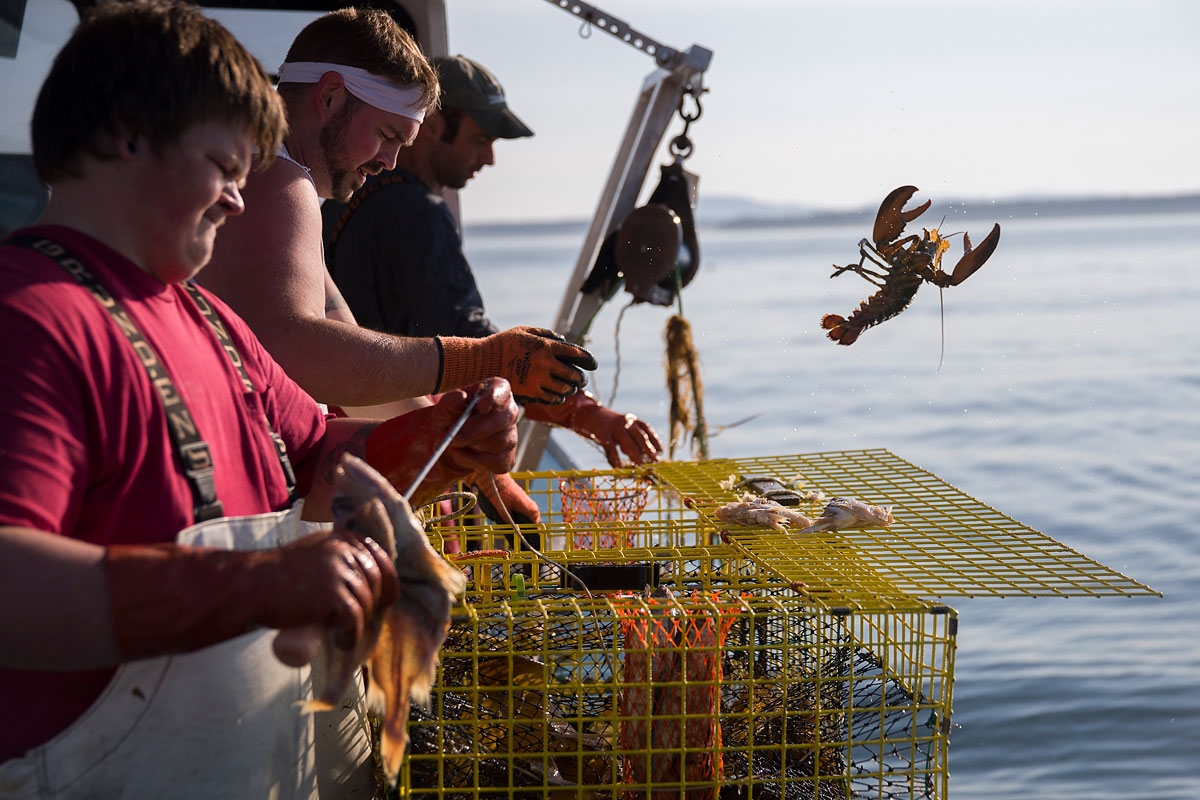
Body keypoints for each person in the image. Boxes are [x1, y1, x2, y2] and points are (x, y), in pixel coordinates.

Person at [0, 3, 518, 797]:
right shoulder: (31, 319)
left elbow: (318, 453)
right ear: (130, 133)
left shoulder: (209, 319)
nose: (241, 202)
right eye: (223, 166)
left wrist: (446, 440)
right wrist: (261, 584)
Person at [320, 54, 663, 470]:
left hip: (348, 441)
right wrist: (588, 412)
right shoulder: (420, 211)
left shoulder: (343, 204)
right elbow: (470, 342)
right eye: (480, 140)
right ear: (432, 126)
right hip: (406, 452)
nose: (489, 159)